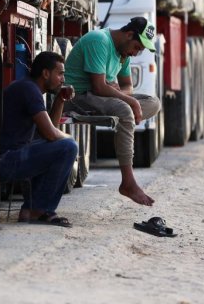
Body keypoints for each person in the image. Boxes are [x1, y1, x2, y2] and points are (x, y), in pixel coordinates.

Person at [63, 17, 161, 207]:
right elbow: (99, 87)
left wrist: (118, 93)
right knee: (126, 109)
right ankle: (128, 182)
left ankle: (125, 118)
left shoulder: (123, 53)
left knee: (154, 102)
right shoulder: (99, 40)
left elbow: (127, 86)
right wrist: (126, 99)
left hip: (104, 98)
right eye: (137, 47)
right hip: (79, 96)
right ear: (129, 34)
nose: (136, 53)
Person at [0, 51, 79, 227]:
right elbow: (51, 134)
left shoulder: (30, 87)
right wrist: (70, 142)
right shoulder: (29, 89)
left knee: (62, 147)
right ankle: (40, 209)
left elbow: (48, 134)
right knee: (69, 147)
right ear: (45, 73)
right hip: (6, 160)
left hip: (11, 156)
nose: (63, 79)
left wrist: (60, 99)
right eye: (60, 73)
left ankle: (31, 208)